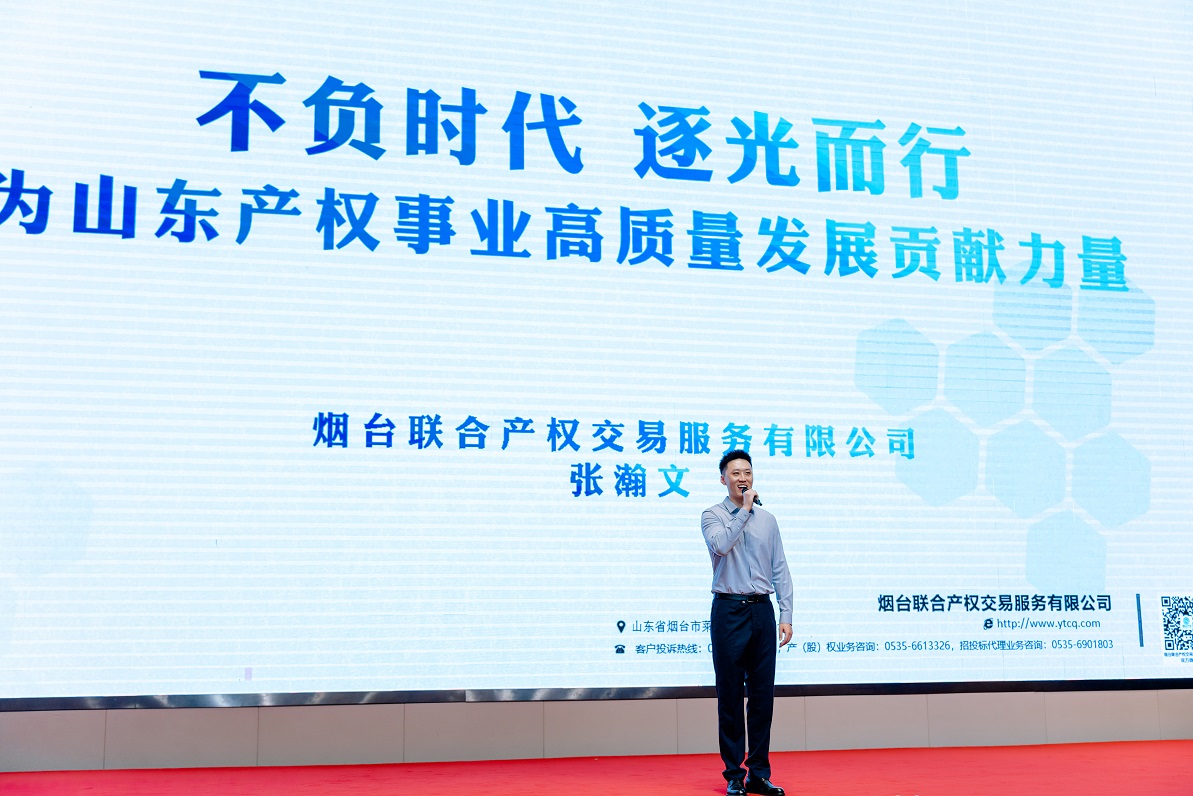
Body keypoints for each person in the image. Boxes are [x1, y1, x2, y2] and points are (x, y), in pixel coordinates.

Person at [700, 450, 793, 796]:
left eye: (748, 473)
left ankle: (758, 773)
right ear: (723, 478)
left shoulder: (768, 520)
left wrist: (786, 614)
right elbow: (721, 545)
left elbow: (780, 567)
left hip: (761, 611)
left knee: (762, 696)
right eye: (736, 473)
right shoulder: (712, 515)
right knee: (729, 696)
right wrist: (744, 511)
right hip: (729, 611)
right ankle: (734, 775)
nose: (743, 478)